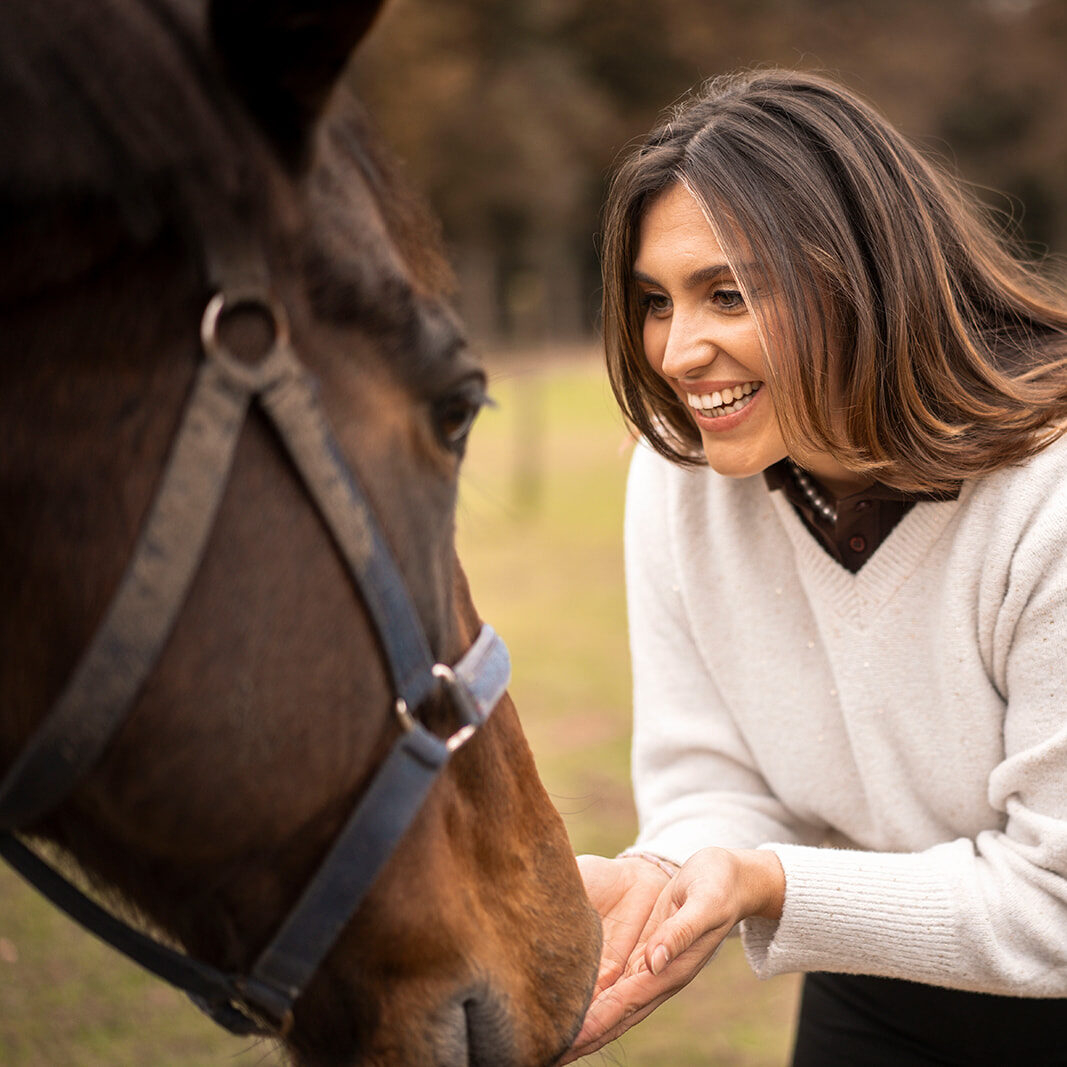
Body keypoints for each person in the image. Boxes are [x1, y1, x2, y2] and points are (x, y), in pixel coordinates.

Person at [562, 69, 1067, 1066]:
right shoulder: (680, 482)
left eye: (728, 294)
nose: (676, 350)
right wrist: (672, 870)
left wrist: (771, 885)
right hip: (877, 987)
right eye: (655, 301)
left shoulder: (1046, 493)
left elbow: (1054, 904)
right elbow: (707, 772)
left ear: (859, 275)